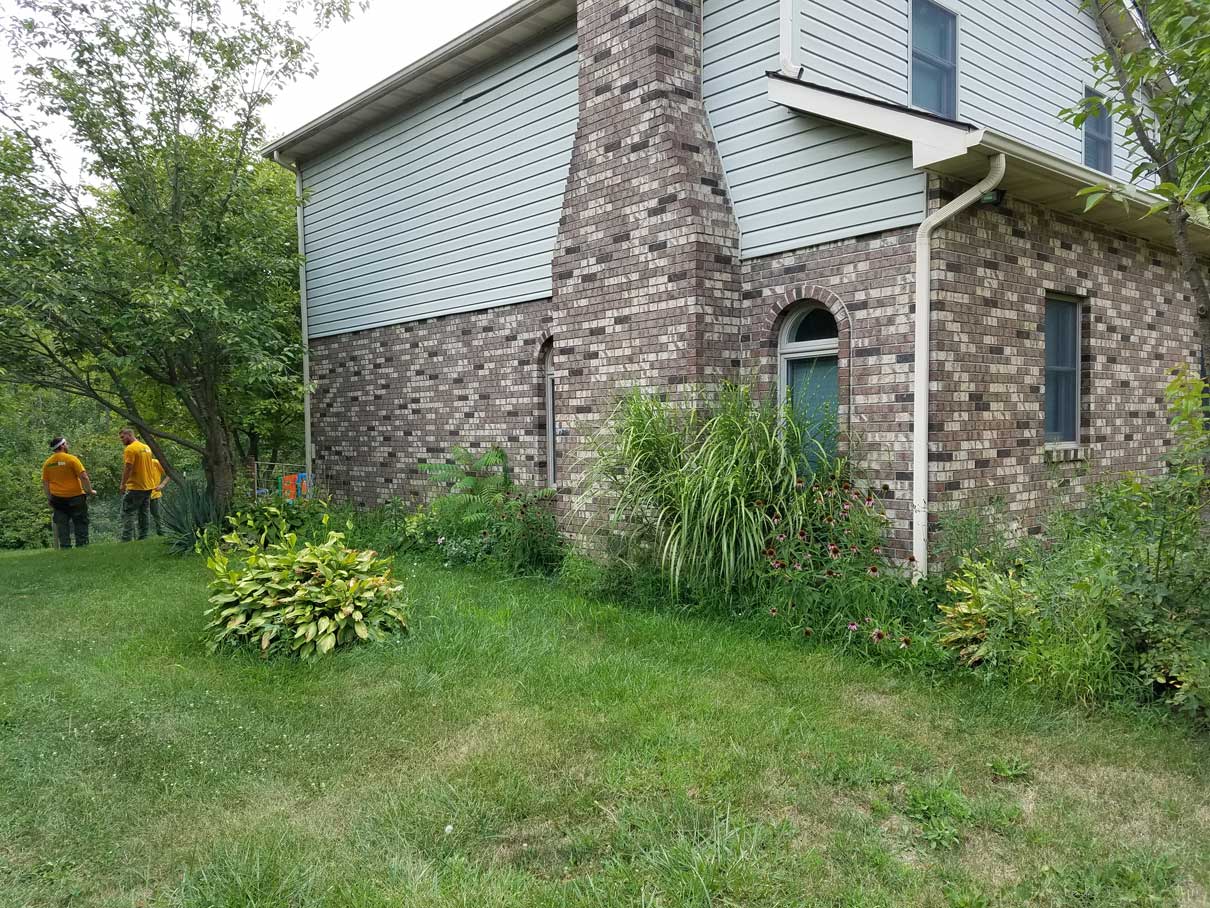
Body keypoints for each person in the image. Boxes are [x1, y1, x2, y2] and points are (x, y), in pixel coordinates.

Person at [41, 437, 97, 549]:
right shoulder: (72, 459)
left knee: (62, 525)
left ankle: (65, 548)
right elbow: (84, 477)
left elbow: (45, 483)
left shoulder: (48, 463)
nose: (68, 445)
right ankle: (82, 547)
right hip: (76, 497)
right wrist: (89, 491)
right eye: (66, 443)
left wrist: (49, 498)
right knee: (80, 523)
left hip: (57, 499)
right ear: (62, 446)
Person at [119, 428, 157, 541]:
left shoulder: (130, 449)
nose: (121, 440)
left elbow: (128, 467)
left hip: (136, 486)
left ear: (129, 435)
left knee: (128, 511)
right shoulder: (146, 447)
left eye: (122, 437)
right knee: (144, 512)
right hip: (148, 485)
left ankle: (126, 538)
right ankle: (143, 537)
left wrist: (123, 484)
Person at [149, 457, 169, 536]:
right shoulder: (137, 464)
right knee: (142, 517)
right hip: (141, 495)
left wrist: (162, 484)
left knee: (158, 516)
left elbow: (169, 473)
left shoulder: (155, 462)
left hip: (155, 494)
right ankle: (143, 537)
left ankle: (162, 533)